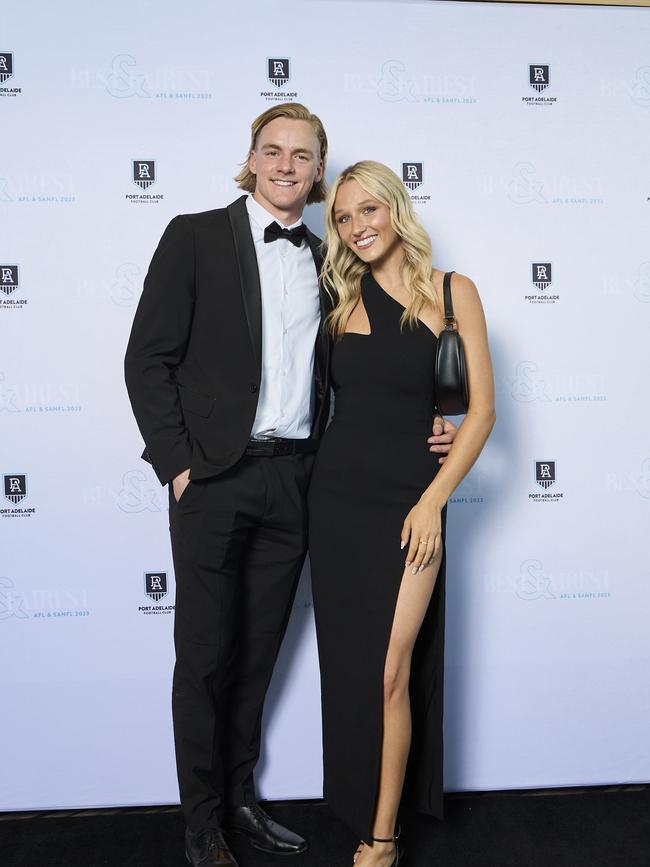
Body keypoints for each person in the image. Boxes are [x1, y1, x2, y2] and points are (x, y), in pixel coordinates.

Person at [125, 106, 457, 867]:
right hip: (211, 477)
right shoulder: (195, 235)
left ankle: (241, 798)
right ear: (251, 158)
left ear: (317, 173)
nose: (285, 165)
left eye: (301, 156)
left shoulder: (329, 260)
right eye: (272, 151)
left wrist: (435, 425)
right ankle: (202, 820)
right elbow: (147, 359)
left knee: (259, 651)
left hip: (297, 481)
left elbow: (379, 370)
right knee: (205, 653)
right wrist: (179, 466)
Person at [308, 161, 495, 867]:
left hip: (413, 501)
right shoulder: (337, 300)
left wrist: (433, 497)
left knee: (393, 670)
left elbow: (481, 412)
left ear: (395, 209)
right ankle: (361, 807)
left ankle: (382, 838)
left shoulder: (453, 292)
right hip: (336, 503)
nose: (357, 227)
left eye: (368, 210)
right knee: (356, 671)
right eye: (344, 218)